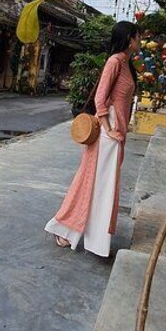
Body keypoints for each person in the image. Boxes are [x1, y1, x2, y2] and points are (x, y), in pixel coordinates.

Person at [45, 21, 140, 257]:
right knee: (91, 184)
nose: (141, 41)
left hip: (118, 135)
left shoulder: (127, 64)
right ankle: (65, 228)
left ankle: (94, 238)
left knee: (103, 189)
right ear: (129, 39)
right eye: (138, 37)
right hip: (108, 138)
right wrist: (108, 129)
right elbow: (100, 98)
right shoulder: (114, 61)